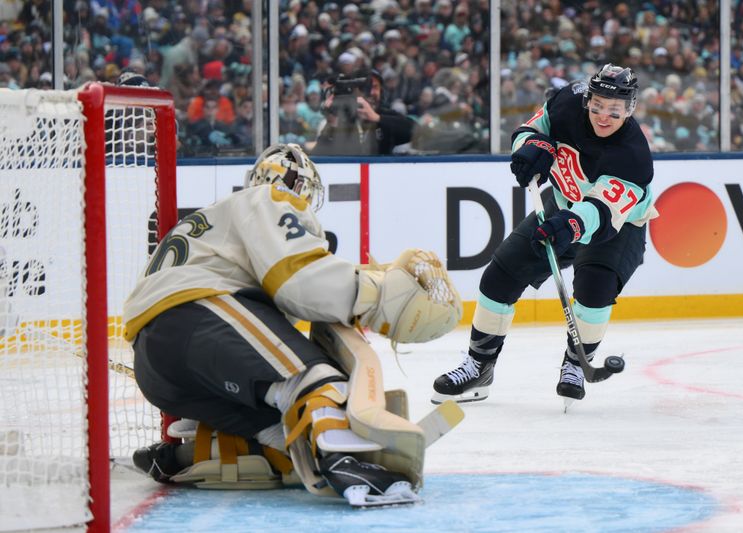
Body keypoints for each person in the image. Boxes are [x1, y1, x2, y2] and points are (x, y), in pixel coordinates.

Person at [124, 144, 462, 506]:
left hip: (157, 367)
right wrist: (379, 296)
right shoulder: (269, 198)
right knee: (313, 379)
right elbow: (300, 281)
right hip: (200, 314)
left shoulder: (219, 223)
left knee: (282, 425)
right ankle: (344, 460)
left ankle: (194, 454)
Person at [431, 64, 656, 406]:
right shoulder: (566, 102)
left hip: (616, 225)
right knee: (500, 276)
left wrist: (571, 224)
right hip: (562, 204)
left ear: (629, 109)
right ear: (588, 100)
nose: (603, 115)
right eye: (597, 105)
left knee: (595, 289)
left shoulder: (634, 157)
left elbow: (600, 211)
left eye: (614, 110)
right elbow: (532, 128)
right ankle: (479, 366)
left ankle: (575, 363)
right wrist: (530, 145)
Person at [312, 68, 415, 156]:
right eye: (364, 88)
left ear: (381, 91)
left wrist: (376, 118)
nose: (370, 92)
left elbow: (416, 131)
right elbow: (317, 156)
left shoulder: (384, 116)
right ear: (352, 92)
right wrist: (332, 125)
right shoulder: (341, 119)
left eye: (375, 87)